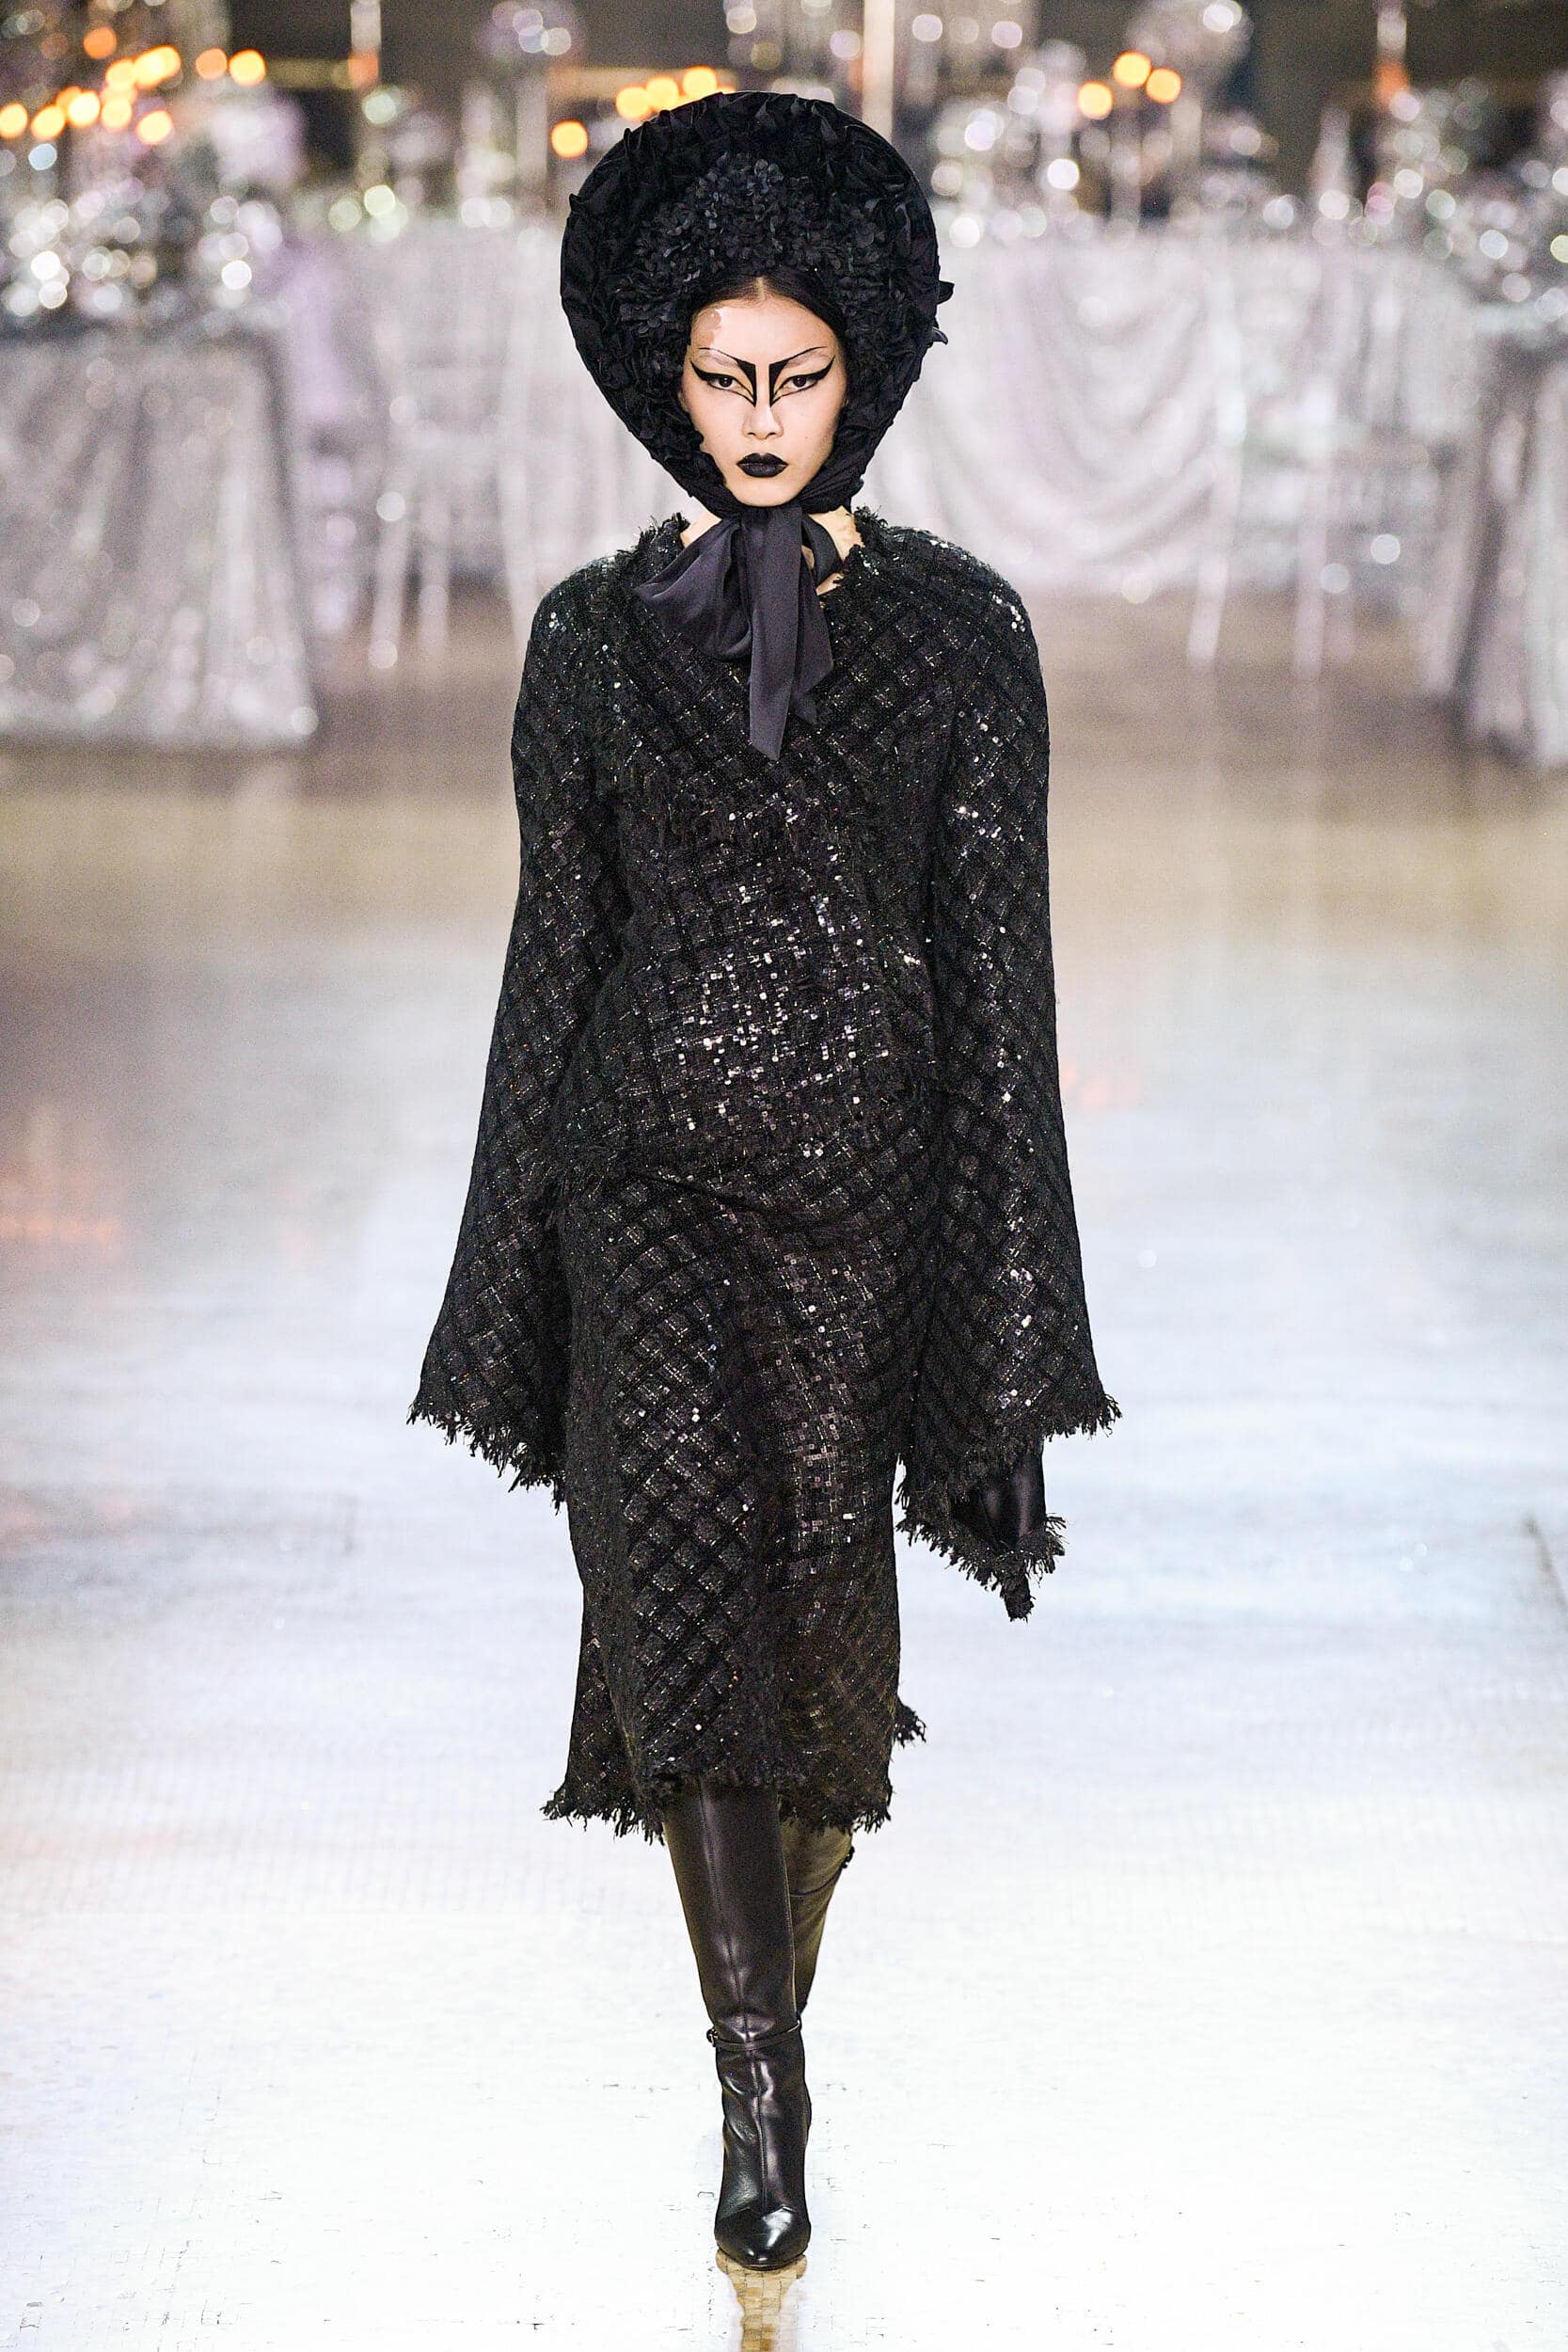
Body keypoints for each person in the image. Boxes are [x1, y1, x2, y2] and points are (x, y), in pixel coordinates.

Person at [406, 89, 1120, 2277]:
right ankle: (760, 2079)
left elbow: (1002, 997)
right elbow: (554, 969)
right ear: (666, 378)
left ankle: (767, 2006)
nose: (756, 415)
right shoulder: (585, 640)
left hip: (863, 1210)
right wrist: (510, 1286)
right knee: (680, 1601)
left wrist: (1012, 1340)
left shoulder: (965, 639)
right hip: (640, 1187)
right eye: (720, 376)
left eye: (795, 373)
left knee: (816, 1638)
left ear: (862, 368)